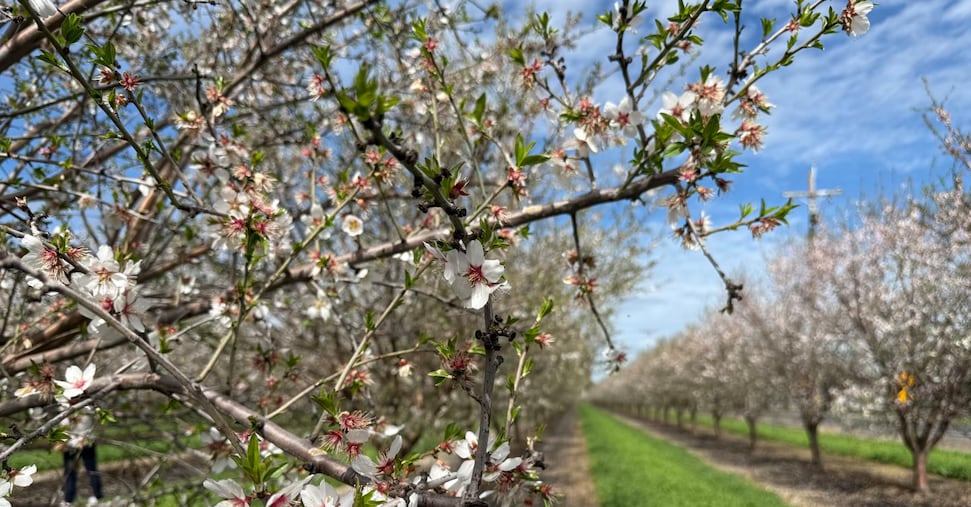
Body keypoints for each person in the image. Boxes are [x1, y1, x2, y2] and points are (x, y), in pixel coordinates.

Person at [57, 408, 104, 506]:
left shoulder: (86, 408)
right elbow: (64, 428)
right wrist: (62, 442)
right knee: (70, 472)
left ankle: (97, 495)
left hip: (86, 443)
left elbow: (87, 427)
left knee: (91, 469)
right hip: (70, 446)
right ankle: (69, 500)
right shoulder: (63, 408)